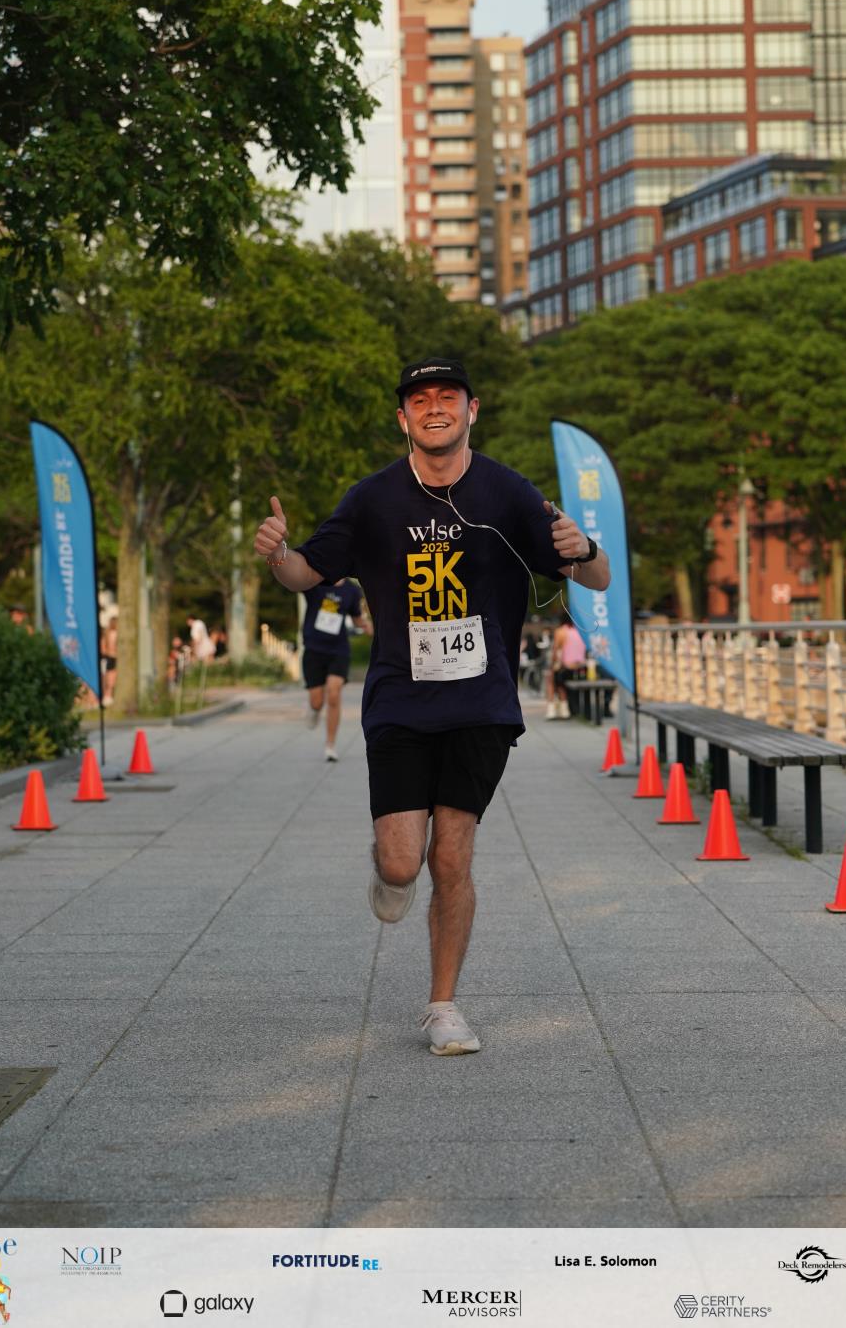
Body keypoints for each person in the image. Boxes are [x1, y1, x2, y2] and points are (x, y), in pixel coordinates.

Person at [254, 357, 610, 1057]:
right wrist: (277, 553)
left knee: (451, 855)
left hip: (481, 701)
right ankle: (390, 866)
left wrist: (586, 547)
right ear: (403, 418)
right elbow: (305, 572)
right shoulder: (372, 499)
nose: (435, 407)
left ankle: (442, 1005)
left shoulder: (508, 492)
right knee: (401, 863)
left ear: (472, 409)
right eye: (420, 400)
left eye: (449, 396)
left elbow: (593, 576)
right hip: (400, 700)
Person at [301, 578, 370, 762]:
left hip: (338, 650)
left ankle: (330, 745)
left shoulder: (352, 590)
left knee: (334, 693)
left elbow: (356, 617)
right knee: (317, 701)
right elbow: (295, 581)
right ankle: (314, 708)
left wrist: (370, 627)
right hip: (314, 649)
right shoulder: (315, 582)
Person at [546, 619, 586, 719]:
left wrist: (552, 665)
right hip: (581, 667)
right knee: (558, 679)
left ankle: (554, 709)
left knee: (552, 679)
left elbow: (555, 652)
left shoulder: (560, 631)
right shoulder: (581, 631)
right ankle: (563, 709)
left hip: (567, 667)